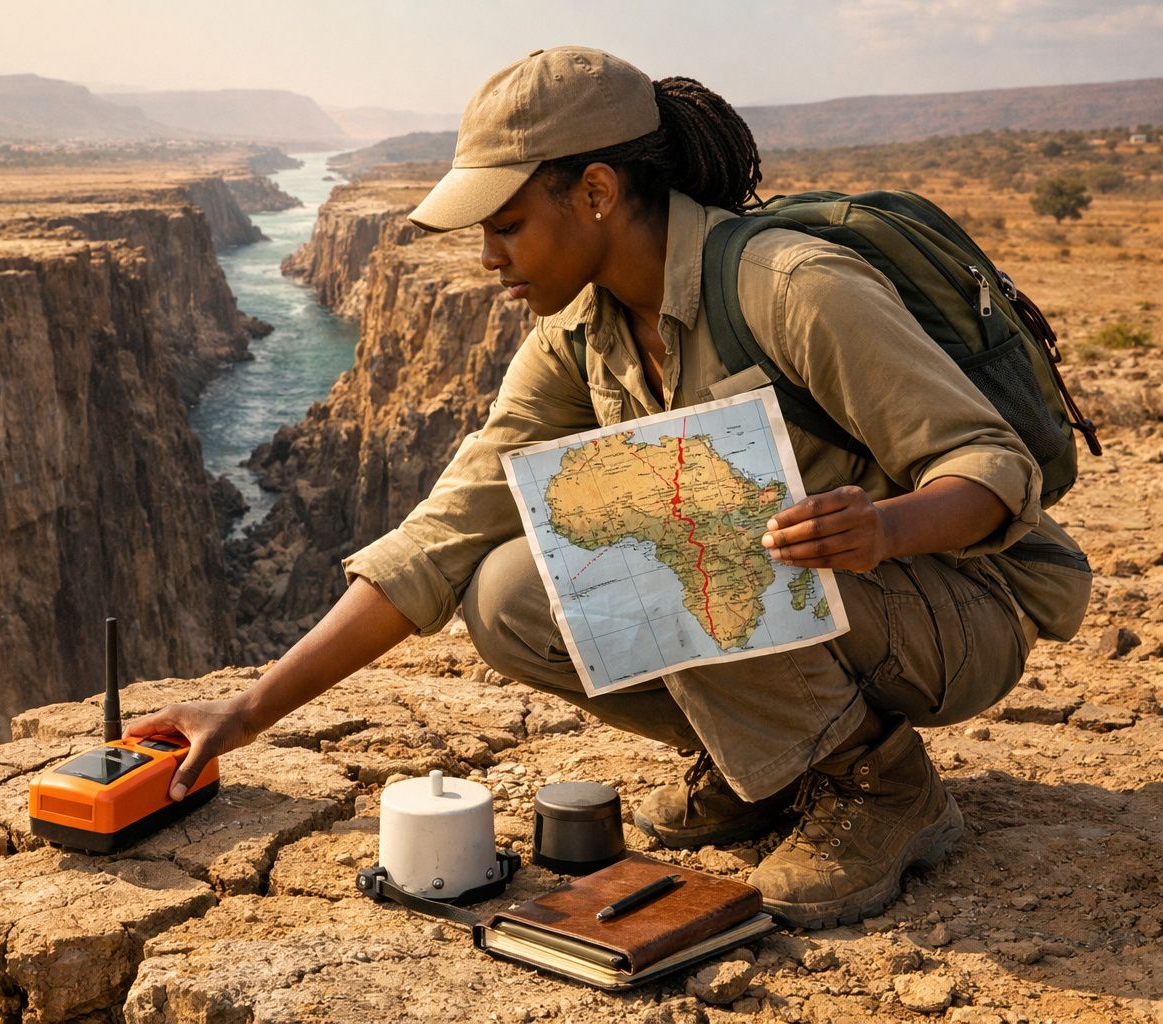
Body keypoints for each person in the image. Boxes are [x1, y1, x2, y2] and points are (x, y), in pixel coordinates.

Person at [127, 47, 1091, 929]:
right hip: (817, 608)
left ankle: (881, 789)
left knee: (686, 520)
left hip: (956, 611)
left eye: (507, 225)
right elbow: (448, 531)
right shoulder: (580, 336)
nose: (488, 259)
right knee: (506, 590)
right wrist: (247, 714)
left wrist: (881, 526)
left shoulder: (790, 286)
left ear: (595, 191)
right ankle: (767, 769)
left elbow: (991, 468)